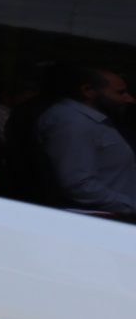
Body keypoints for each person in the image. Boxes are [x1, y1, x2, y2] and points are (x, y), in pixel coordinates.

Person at [36, 67, 136, 218]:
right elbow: (77, 184)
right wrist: (130, 205)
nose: (129, 99)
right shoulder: (72, 122)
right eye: (120, 93)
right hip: (101, 217)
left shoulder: (92, 121)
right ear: (88, 90)